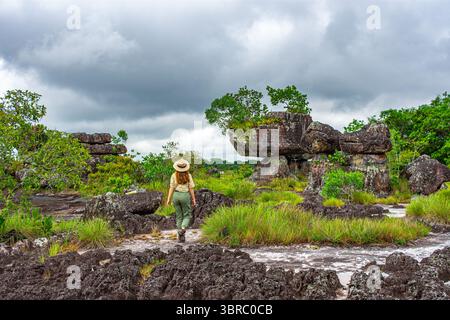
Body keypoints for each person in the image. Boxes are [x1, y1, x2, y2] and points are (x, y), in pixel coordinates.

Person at [166, 159, 196, 243]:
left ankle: (180, 237)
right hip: (185, 196)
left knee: (179, 216)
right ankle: (183, 229)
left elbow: (171, 187)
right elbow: (191, 188)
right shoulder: (188, 175)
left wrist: (168, 199)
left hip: (176, 195)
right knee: (187, 215)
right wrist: (193, 199)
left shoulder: (173, 175)